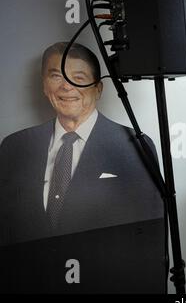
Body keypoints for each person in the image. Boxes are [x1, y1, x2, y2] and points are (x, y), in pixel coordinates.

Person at [0, 42, 164, 246]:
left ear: (98, 89)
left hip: (105, 275)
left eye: (78, 78)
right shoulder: (15, 146)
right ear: (44, 85)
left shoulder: (134, 146)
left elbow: (150, 239)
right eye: (56, 76)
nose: (66, 86)